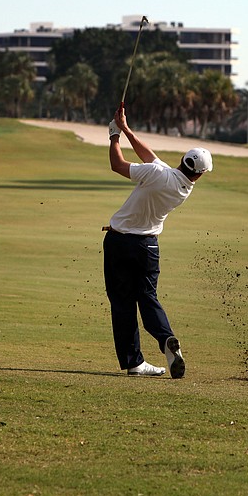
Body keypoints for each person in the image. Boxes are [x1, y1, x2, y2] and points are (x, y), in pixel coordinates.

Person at [103, 105, 213, 378]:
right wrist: (126, 129)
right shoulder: (180, 186)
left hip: (118, 242)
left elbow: (117, 165)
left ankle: (134, 362)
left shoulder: (159, 174)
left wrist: (113, 136)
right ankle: (166, 339)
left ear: (182, 159)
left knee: (122, 303)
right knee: (148, 297)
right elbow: (149, 156)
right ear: (199, 174)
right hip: (147, 247)